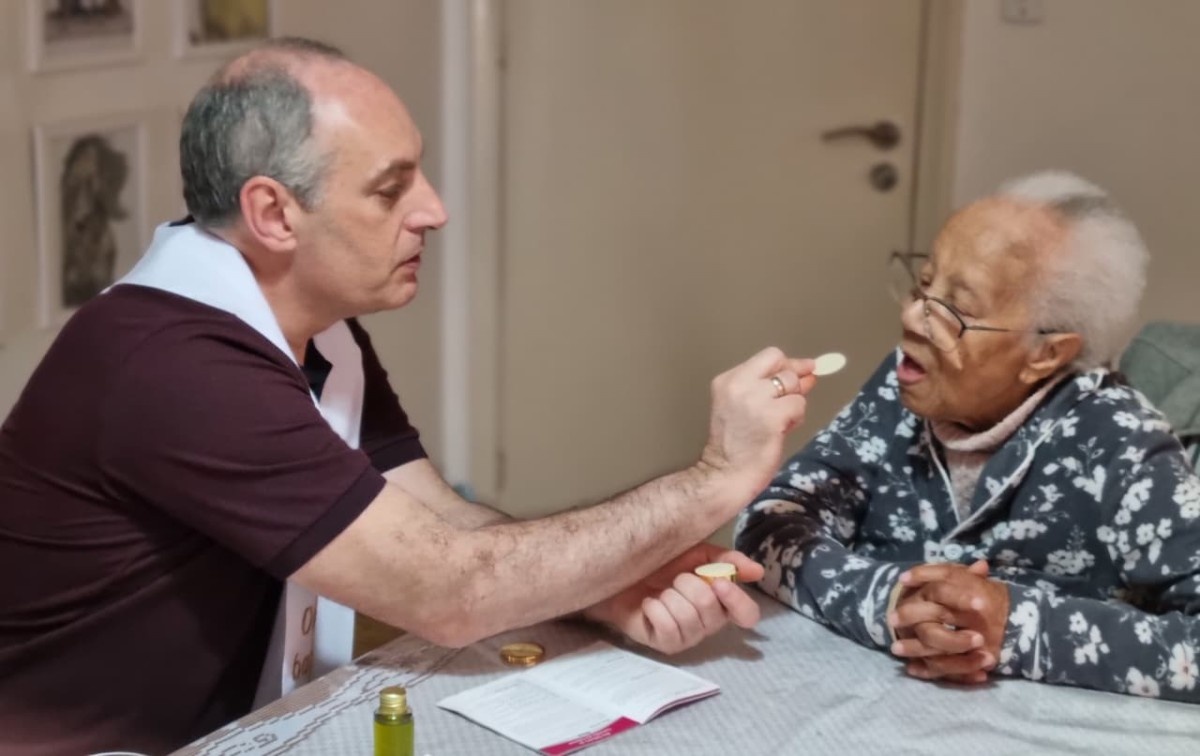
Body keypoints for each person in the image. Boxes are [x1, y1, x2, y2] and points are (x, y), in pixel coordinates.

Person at [0, 39, 817, 754]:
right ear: (274, 213)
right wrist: (714, 478)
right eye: (391, 189)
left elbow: (442, 524)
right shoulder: (179, 366)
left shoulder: (310, 328)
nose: (434, 209)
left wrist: (604, 585)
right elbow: (449, 589)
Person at [735, 171, 1200, 703]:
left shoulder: (1121, 441)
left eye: (956, 310)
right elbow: (768, 526)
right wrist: (889, 605)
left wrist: (1013, 628)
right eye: (923, 285)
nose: (912, 317)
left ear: (1046, 353)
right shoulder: (901, 386)